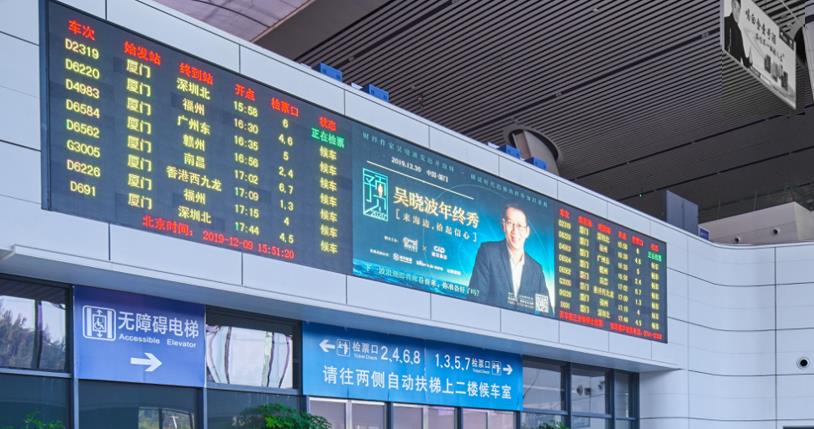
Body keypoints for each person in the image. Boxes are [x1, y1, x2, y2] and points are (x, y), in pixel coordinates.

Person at [468, 204, 553, 315]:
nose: (515, 230)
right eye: (510, 223)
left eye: (520, 226)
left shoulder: (536, 269)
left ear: (527, 232)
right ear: (503, 225)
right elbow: (475, 299)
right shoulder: (488, 253)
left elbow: (546, 312)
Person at [724, 0, 752, 68]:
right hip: (726, 61)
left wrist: (749, 61)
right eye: (735, 7)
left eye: (739, 10)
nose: (737, 12)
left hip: (734, 67)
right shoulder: (725, 21)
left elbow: (743, 57)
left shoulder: (738, 31)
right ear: (732, 6)